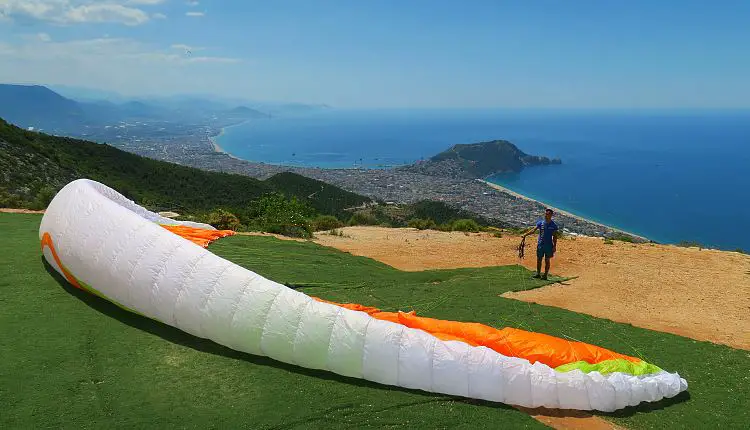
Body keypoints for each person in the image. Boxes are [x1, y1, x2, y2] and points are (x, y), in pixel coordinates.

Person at [522, 208, 559, 280]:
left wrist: (554, 246)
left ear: (551, 215)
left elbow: (555, 237)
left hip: (549, 246)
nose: (546, 215)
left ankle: (545, 275)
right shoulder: (540, 223)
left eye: (547, 214)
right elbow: (533, 230)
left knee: (547, 260)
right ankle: (538, 273)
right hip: (540, 244)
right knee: (539, 259)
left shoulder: (553, 225)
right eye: (545, 214)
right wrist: (525, 234)